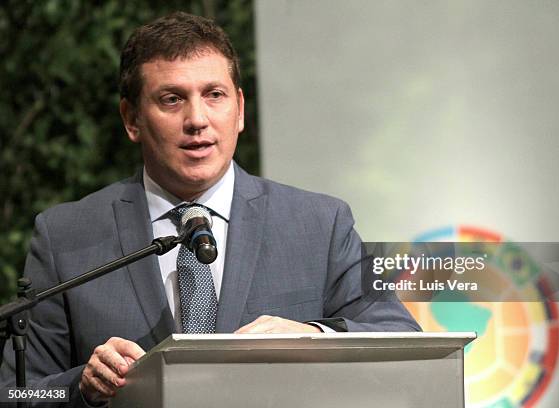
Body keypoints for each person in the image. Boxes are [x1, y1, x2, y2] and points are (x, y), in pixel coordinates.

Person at [0, 11, 420, 407]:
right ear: (131, 119)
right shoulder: (65, 236)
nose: (197, 119)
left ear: (239, 109)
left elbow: (399, 335)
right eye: (171, 99)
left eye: (214, 95)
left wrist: (312, 336)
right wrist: (81, 387)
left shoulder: (320, 223)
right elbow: (16, 395)